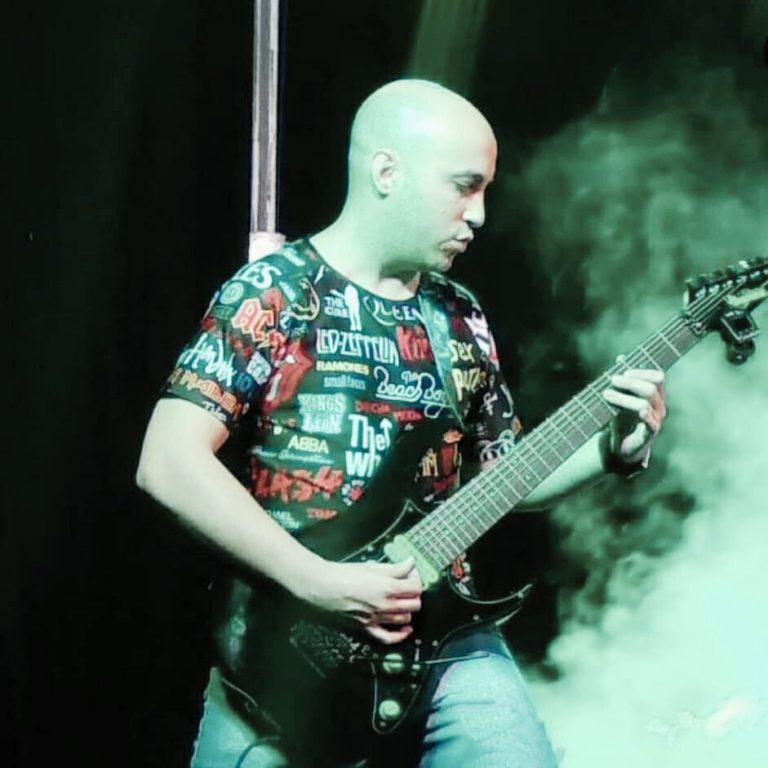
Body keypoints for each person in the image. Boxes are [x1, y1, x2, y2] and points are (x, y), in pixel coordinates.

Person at [136, 79, 666, 767]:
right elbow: (168, 462)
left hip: (443, 637)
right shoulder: (273, 293)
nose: (479, 214)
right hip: (282, 650)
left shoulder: (459, 315)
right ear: (387, 172)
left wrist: (614, 448)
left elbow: (506, 477)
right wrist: (315, 580)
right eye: (464, 186)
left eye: (485, 191)